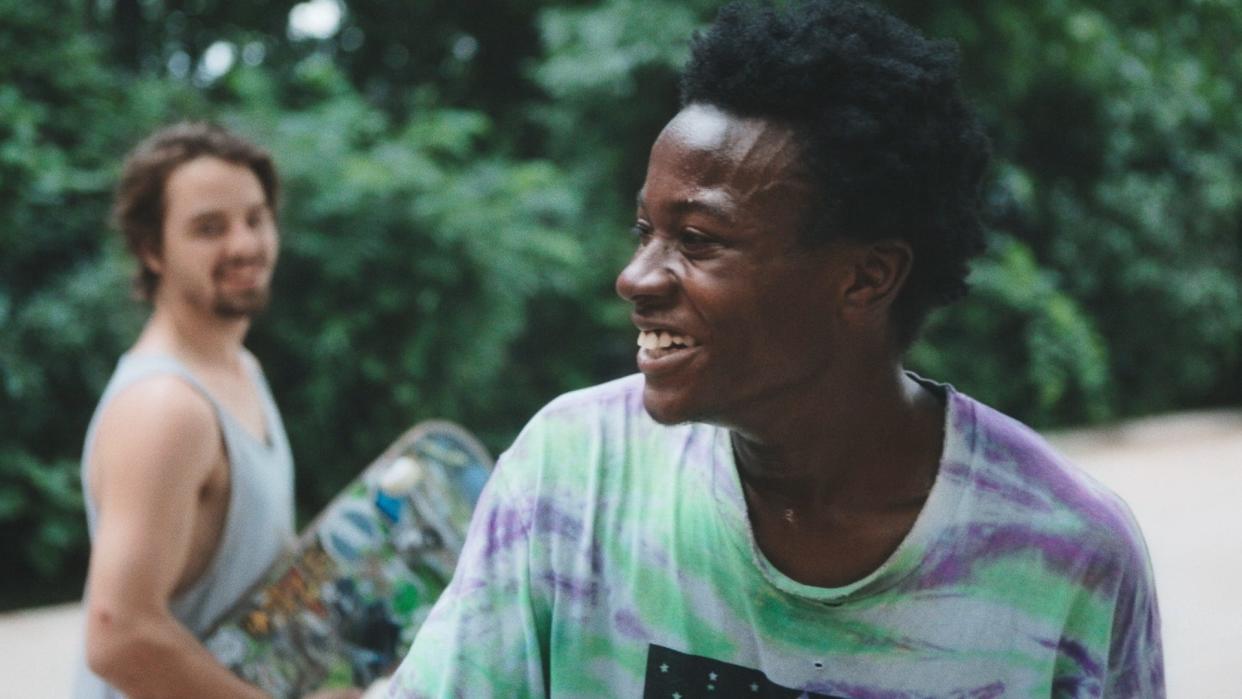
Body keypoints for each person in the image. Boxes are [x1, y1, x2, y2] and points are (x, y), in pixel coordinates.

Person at [388, 0, 1164, 696]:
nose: (634, 277)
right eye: (644, 231)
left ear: (866, 276)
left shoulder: (1068, 555)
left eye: (696, 240)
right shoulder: (575, 473)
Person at [72, 123, 356, 699]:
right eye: (209, 228)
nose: (245, 245)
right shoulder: (166, 409)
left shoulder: (240, 370)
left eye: (255, 218)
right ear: (152, 249)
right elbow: (119, 636)